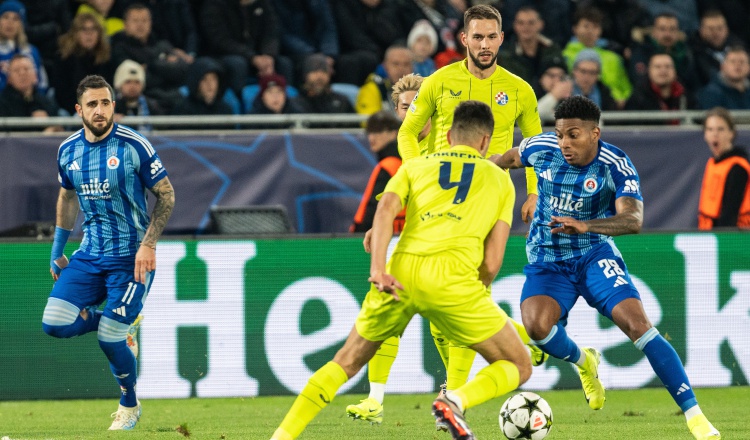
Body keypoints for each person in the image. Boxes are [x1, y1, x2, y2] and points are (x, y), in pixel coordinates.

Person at [271, 100, 532, 440]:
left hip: (401, 273)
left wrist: (378, 269)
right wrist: (469, 297)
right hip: (455, 281)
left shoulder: (415, 166)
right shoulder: (501, 182)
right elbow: (492, 261)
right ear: (486, 141)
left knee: (347, 361)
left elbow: (384, 212)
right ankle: (454, 400)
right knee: (519, 365)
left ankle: (282, 436)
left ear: (450, 135)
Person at [493, 95, 721, 440]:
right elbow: (506, 158)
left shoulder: (615, 163)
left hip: (593, 255)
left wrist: (587, 226)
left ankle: (695, 417)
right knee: (536, 328)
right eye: (560, 135)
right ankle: (584, 360)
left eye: (574, 135)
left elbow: (633, 220)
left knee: (638, 324)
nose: (565, 144)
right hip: (547, 259)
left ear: (594, 133)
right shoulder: (541, 147)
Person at [42, 74, 175, 431]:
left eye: (105, 103)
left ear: (113, 105)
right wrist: (58, 249)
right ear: (78, 110)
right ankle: (122, 325)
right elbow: (67, 196)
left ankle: (129, 405)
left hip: (131, 258)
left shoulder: (134, 145)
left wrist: (148, 245)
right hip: (89, 254)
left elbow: (167, 194)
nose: (99, 111)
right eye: (92, 104)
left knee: (108, 339)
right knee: (53, 324)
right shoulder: (67, 150)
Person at [561, 6, 631, 107]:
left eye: (595, 27)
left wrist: (621, 100)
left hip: (612, 110)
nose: (590, 31)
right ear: (575, 29)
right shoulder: (565, 56)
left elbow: (625, 87)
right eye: (586, 26)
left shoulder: (614, 58)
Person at [350, 110, 404, 234]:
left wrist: (359, 233)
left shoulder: (388, 166)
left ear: (393, 133)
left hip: (383, 236)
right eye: (370, 132)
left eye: (378, 131)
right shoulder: (407, 162)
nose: (372, 137)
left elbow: (373, 207)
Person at [698, 106, 750, 230]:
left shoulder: (737, 167)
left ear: (731, 133)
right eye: (710, 129)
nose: (715, 134)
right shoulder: (712, 163)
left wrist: (723, 239)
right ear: (705, 134)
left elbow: (730, 211)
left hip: (735, 239)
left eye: (720, 129)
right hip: (710, 234)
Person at [54, 12, 116, 113]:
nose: (89, 34)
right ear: (75, 33)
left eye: (93, 29)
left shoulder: (107, 58)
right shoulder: (63, 58)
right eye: (84, 29)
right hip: (72, 110)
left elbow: (109, 90)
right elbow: (61, 93)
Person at [497, 5, 563, 86]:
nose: (526, 27)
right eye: (521, 23)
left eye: (531, 23)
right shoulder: (505, 56)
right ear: (515, 26)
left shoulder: (553, 50)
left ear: (541, 24)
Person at [0, 54, 60, 132]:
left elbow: (59, 129)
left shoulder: (47, 102)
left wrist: (51, 127)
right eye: (16, 70)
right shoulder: (2, 104)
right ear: (9, 78)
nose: (22, 73)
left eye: (26, 69)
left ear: (35, 75)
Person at [625, 52, 694, 118]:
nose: (663, 71)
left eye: (668, 66)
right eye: (658, 67)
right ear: (649, 71)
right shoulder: (637, 98)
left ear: (675, 71)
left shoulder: (685, 94)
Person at [0, 0, 48, 93]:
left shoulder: (30, 51)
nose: (10, 22)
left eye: (16, 18)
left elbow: (42, 84)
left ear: (21, 24)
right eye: (6, 17)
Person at [355, 44, 413, 116]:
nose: (401, 69)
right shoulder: (372, 89)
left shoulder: (421, 90)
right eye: (396, 64)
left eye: (406, 64)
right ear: (385, 66)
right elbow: (369, 123)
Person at [696, 45, 750, 110]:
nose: (738, 65)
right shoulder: (711, 93)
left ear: (748, 68)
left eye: (742, 62)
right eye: (733, 61)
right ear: (723, 66)